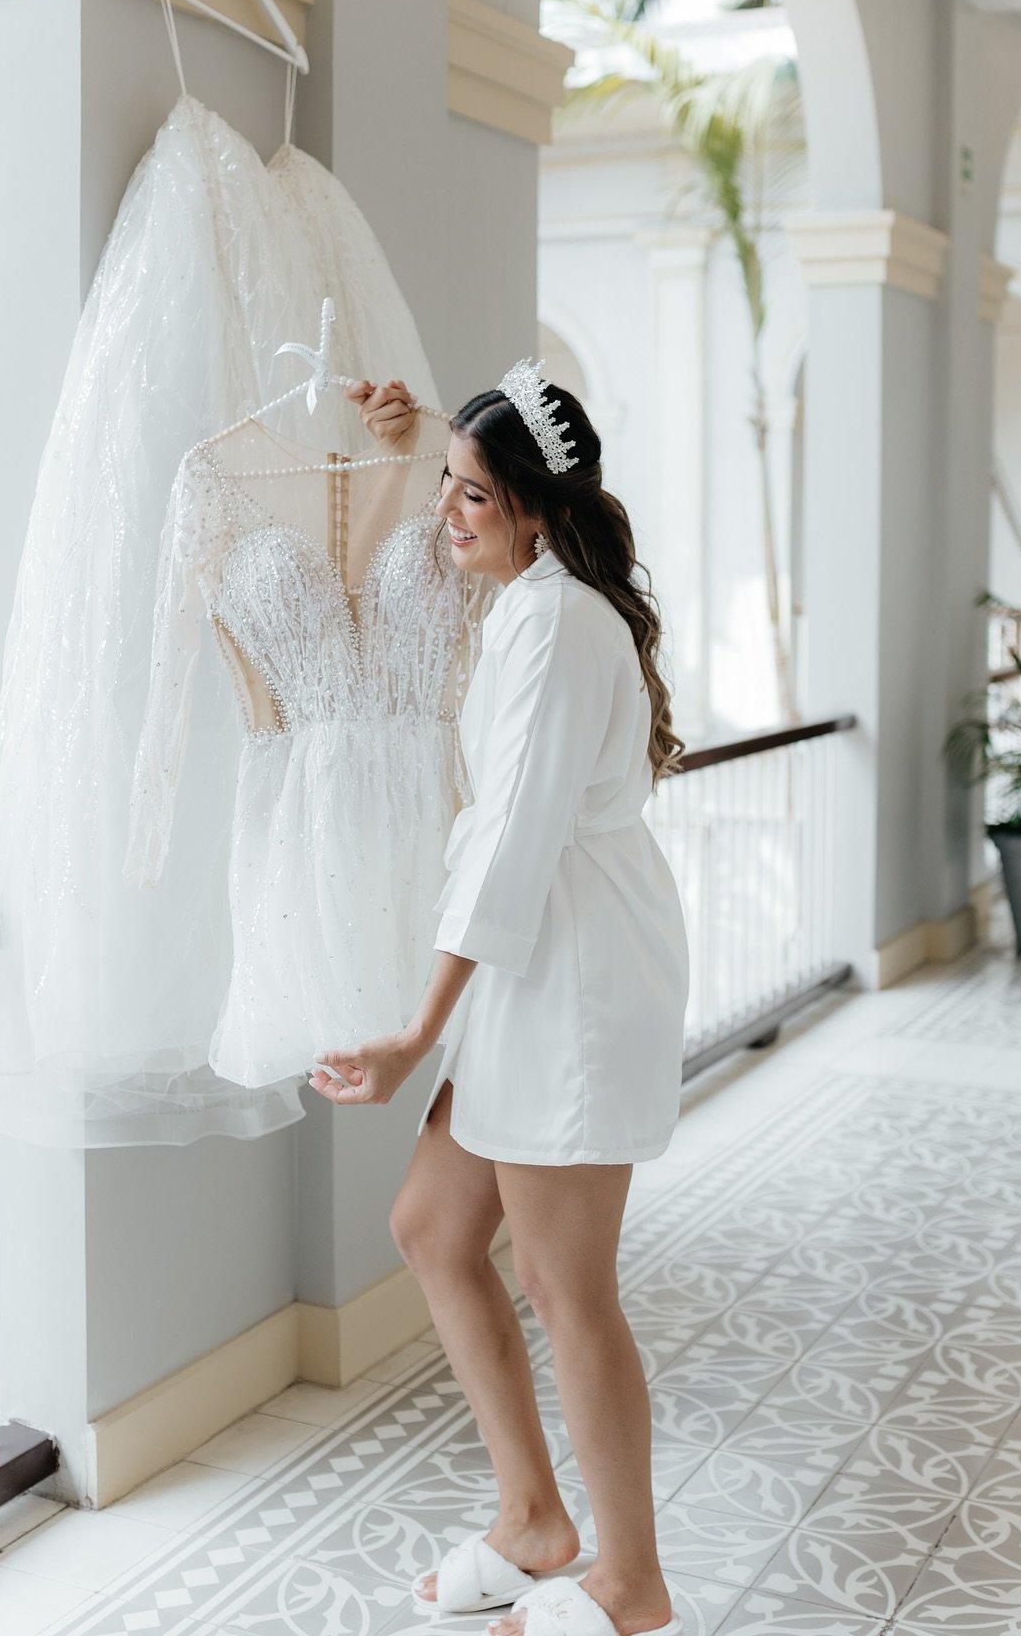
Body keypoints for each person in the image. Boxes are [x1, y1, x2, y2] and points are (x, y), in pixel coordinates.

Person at [312, 361, 691, 1636]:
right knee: (431, 1224)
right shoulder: (538, 600)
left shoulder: (558, 626)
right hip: (538, 965)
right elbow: (510, 838)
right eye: (447, 489)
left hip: (574, 975)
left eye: (474, 494)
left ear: (532, 509)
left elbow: (514, 839)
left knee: (563, 1282)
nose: (447, 512)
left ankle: (631, 1585)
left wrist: (419, 1030)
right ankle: (534, 1516)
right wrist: (426, 436)